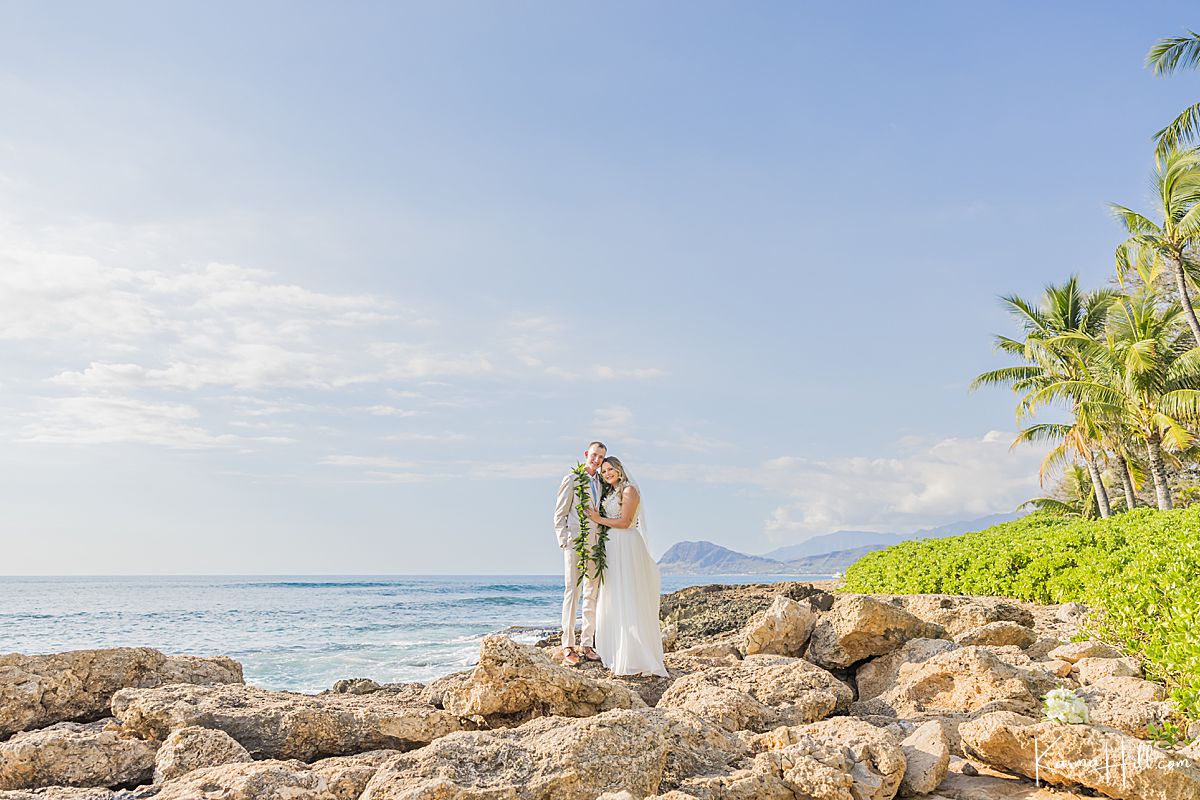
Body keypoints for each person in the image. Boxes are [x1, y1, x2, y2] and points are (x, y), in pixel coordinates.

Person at [586, 456, 668, 677]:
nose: (607, 474)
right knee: (612, 595)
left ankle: (634, 655)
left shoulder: (629, 491)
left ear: (620, 470)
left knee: (628, 596)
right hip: (612, 547)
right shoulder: (610, 493)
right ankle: (614, 650)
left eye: (610, 469)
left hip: (626, 545)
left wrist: (597, 519)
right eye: (604, 472)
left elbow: (625, 521)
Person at [553, 440, 606, 667]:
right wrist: (565, 542)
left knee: (592, 594)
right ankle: (568, 645)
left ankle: (587, 643)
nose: (596, 460)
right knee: (572, 592)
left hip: (595, 546)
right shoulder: (572, 479)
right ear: (586, 454)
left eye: (601, 457)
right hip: (575, 543)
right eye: (594, 455)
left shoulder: (603, 483)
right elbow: (559, 514)